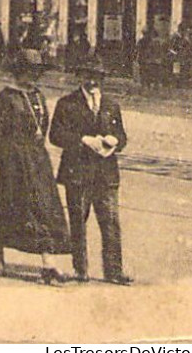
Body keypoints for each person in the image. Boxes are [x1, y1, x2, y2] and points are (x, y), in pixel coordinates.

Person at [0, 48, 72, 284]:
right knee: (6, 206)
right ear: (18, 72)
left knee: (45, 208)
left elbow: (43, 127)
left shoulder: (38, 96)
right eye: (27, 71)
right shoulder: (7, 97)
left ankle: (48, 264)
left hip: (37, 161)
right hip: (12, 162)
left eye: (36, 72)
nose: (32, 76)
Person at [48, 57, 132, 285]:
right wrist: (83, 140)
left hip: (106, 175)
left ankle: (114, 271)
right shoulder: (67, 103)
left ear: (102, 79)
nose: (93, 81)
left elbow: (123, 137)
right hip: (77, 173)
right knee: (78, 221)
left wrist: (115, 140)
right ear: (80, 77)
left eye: (97, 77)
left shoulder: (111, 105)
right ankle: (80, 269)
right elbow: (55, 135)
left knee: (111, 222)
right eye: (88, 76)